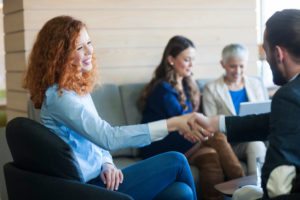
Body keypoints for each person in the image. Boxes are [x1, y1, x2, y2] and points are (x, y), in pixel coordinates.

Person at [22, 15, 210, 200]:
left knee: (181, 192)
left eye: (89, 43)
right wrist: (173, 123)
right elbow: (108, 137)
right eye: (80, 47)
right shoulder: (60, 97)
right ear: (60, 55)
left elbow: (96, 140)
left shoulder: (77, 89)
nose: (89, 51)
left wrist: (107, 164)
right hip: (86, 189)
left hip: (101, 177)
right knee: (177, 160)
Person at [193, 9, 300, 200]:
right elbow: (277, 121)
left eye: (265, 51)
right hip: (227, 141)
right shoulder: (291, 97)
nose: (266, 59)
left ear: (277, 54)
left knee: (243, 194)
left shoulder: (288, 95)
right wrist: (217, 123)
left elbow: (278, 186)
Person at [139, 35, 244, 200]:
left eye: (193, 59)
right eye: (187, 59)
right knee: (217, 136)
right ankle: (243, 186)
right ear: (171, 60)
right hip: (160, 145)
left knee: (211, 157)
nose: (191, 65)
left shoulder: (187, 85)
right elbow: (185, 123)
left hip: (183, 140)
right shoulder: (163, 90)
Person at [202, 43, 267, 175]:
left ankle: (259, 190)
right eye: (232, 66)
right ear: (223, 64)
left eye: (241, 66)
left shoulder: (256, 84)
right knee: (256, 144)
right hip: (228, 144)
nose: (237, 71)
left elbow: (264, 113)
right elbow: (209, 125)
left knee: (257, 144)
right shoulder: (211, 88)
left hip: (253, 138)